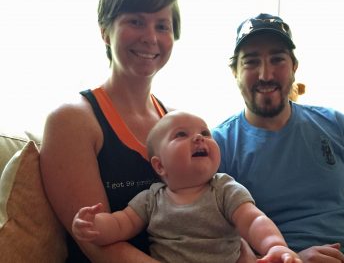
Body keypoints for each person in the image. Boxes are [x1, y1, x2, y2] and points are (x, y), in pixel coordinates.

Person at [212, 13, 344, 263]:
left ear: (294, 67)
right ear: (235, 71)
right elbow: (217, 239)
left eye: (277, 59)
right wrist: (291, 259)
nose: (265, 74)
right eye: (251, 62)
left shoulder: (337, 124)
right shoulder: (217, 146)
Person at [39, 0, 181, 262]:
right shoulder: (71, 120)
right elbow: (98, 245)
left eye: (162, 26)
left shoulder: (176, 121)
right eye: (136, 21)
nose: (150, 37)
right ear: (105, 32)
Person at [71, 110, 302, 263]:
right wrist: (94, 226)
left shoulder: (224, 189)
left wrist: (275, 246)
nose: (199, 138)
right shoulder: (151, 199)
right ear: (160, 166)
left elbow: (253, 220)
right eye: (181, 135)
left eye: (204, 133)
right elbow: (121, 223)